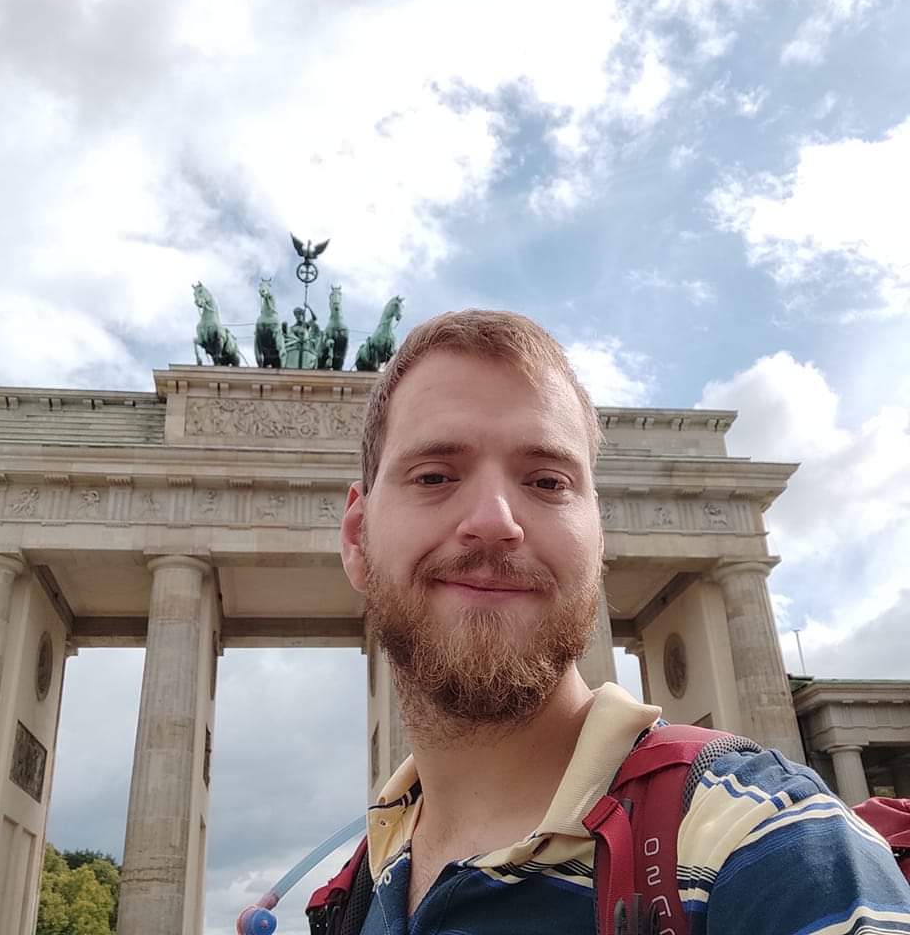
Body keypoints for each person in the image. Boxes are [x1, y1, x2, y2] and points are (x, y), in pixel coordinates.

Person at [337, 309, 910, 935]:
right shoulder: (353, 893)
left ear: (599, 535)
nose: (496, 519)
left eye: (547, 481)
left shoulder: (770, 845)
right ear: (356, 538)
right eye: (434, 476)